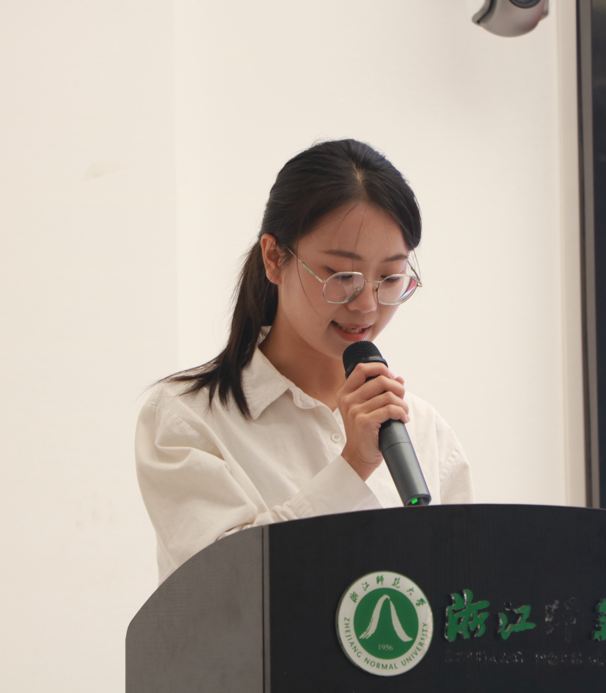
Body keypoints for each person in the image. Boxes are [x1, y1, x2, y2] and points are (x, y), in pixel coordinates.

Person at [136, 139, 473, 584]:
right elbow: (221, 587)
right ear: (274, 257)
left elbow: (463, 590)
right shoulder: (188, 418)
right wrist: (353, 465)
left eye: (390, 277)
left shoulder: (425, 430)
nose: (367, 305)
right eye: (342, 275)